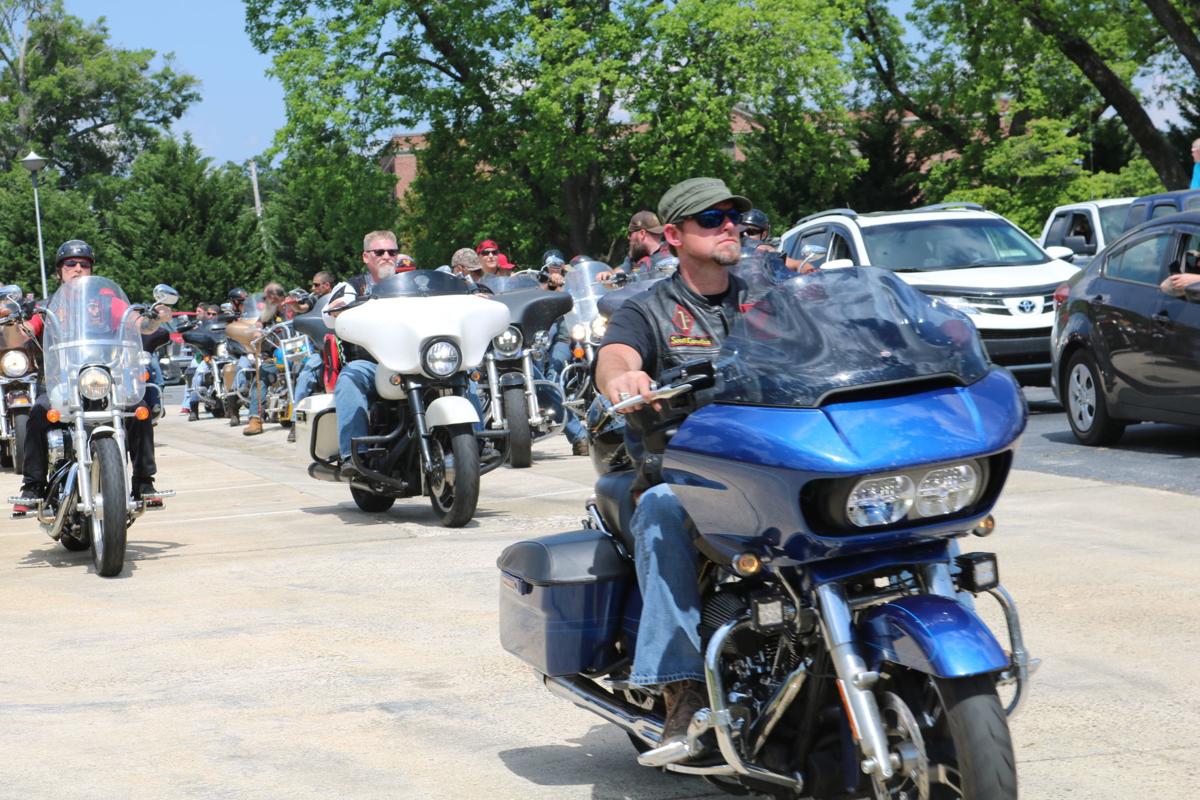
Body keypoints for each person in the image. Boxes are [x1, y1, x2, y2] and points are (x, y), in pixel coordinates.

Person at [594, 177, 751, 763]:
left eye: (734, 214)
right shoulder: (649, 310)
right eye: (710, 218)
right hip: (692, 477)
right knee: (660, 506)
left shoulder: (768, 300)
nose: (728, 225)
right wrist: (624, 379)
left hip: (777, 467)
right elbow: (616, 355)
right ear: (673, 235)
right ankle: (681, 691)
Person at [13, 240, 171, 514]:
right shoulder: (48, 305)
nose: (77, 269)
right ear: (59, 271)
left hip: (106, 380)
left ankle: (144, 482)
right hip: (62, 384)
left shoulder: (108, 301)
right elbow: (26, 330)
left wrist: (154, 319)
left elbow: (137, 323)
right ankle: (33, 485)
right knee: (38, 412)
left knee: (140, 410)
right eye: (70, 264)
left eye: (84, 264)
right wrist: (15, 323)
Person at [323, 230, 402, 478]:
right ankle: (352, 454)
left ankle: (476, 441)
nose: (387, 256)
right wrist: (337, 310)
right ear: (366, 257)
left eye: (393, 251)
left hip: (417, 361)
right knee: (350, 377)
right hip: (373, 365)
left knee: (462, 369)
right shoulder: (352, 286)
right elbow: (327, 314)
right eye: (380, 252)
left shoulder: (414, 282)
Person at [287, 271, 336, 442]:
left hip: (343, 348)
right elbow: (303, 308)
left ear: (326, 285)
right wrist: (294, 306)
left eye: (316, 285)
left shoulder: (343, 295)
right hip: (322, 351)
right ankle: (295, 423)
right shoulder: (314, 299)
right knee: (305, 376)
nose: (313, 288)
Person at [239, 282, 290, 436]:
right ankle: (255, 420)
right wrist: (257, 333)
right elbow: (258, 325)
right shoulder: (267, 314)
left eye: (269, 298)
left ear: (278, 298)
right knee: (260, 379)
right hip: (274, 357)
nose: (267, 302)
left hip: (297, 354)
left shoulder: (293, 309)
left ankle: (300, 420)